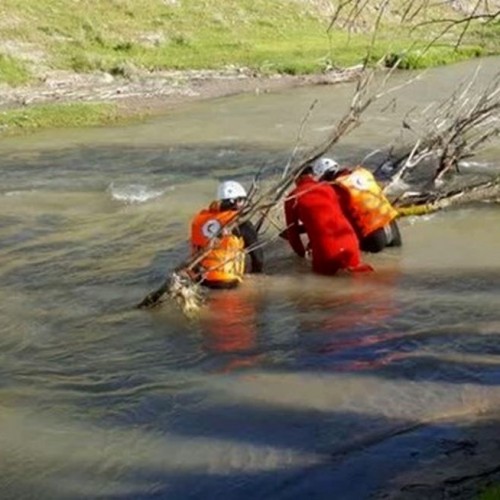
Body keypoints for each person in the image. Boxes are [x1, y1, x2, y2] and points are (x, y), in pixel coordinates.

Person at [284, 166, 372, 275]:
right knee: (357, 284)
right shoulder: (328, 187)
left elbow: (292, 234)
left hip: (326, 250)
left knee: (323, 285)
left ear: (295, 178)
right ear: (313, 176)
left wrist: (301, 256)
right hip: (350, 241)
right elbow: (336, 216)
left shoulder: (292, 197)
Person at [312, 158, 402, 253]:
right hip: (391, 224)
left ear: (325, 176)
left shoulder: (336, 188)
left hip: (373, 235)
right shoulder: (363, 172)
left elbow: (337, 218)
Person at [190, 180, 263, 288]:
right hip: (228, 281)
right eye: (243, 200)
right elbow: (258, 259)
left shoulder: (199, 219)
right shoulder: (241, 222)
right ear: (237, 202)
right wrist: (256, 275)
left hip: (202, 280)